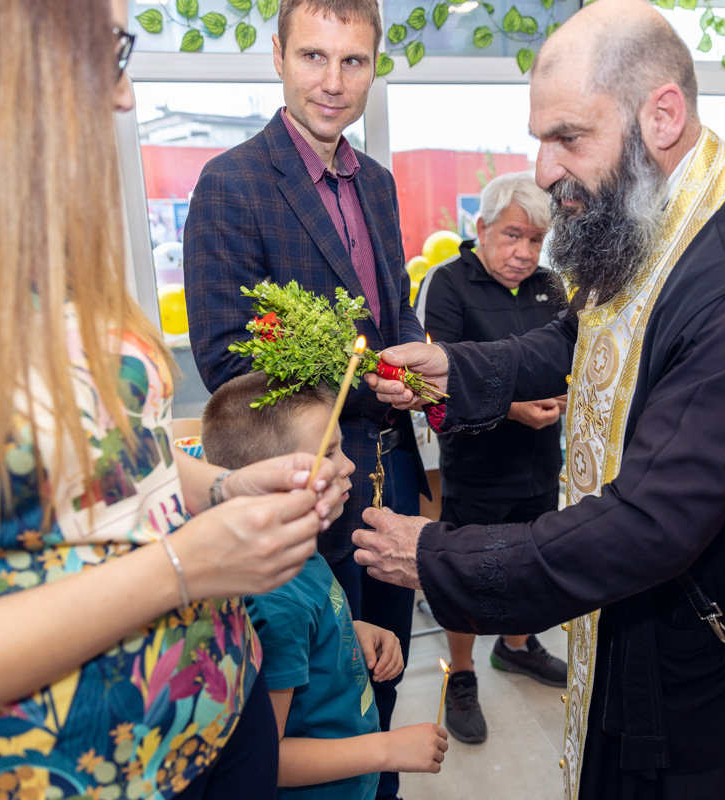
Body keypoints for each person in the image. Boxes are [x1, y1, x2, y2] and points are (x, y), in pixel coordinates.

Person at [0, 2, 346, 798]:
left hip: (223, 717)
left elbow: (113, 457)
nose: (124, 95)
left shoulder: (36, 254)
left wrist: (222, 488)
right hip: (45, 772)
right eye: (108, 52)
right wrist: (177, 570)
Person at [353, 1, 725, 798]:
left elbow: (648, 524)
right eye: (541, 139)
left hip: (724, 691)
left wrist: (439, 557)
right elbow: (581, 337)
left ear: (662, 115)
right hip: (648, 632)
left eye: (568, 138)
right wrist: (454, 369)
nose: (544, 170)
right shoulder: (658, 221)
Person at [183, 2, 426, 795]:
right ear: (278, 57)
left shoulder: (377, 184)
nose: (333, 81)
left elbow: (394, 307)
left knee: (382, 671)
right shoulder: (230, 184)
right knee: (312, 694)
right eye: (314, 57)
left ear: (374, 67)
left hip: (391, 474)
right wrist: (362, 376)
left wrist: (413, 367)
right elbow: (226, 357)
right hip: (305, 479)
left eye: (353, 61)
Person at [201, 373, 448, 797]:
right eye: (329, 453)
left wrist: (347, 631)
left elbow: (303, 639)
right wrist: (388, 749)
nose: (349, 465)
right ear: (272, 479)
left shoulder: (296, 553)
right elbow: (267, 758)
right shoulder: (278, 600)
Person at [414, 173, 568, 745]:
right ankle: (462, 672)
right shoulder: (448, 283)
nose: (524, 253)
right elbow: (436, 383)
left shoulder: (551, 286)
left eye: (535, 240)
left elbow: (566, 359)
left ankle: (516, 646)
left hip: (540, 460)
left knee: (530, 563)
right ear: (481, 228)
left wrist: (563, 395)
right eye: (512, 236)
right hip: (477, 464)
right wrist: (513, 408)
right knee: (465, 570)